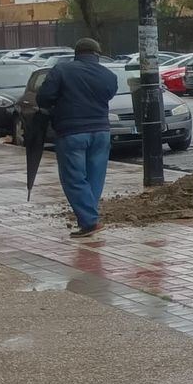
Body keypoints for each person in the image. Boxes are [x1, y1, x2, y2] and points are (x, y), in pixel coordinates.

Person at [37, 38, 116, 238]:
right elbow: (108, 95)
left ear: (77, 53)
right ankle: (90, 217)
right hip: (101, 132)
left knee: (73, 178)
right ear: (97, 54)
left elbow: (43, 97)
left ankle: (90, 222)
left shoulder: (61, 70)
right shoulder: (109, 75)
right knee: (95, 177)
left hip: (72, 132)